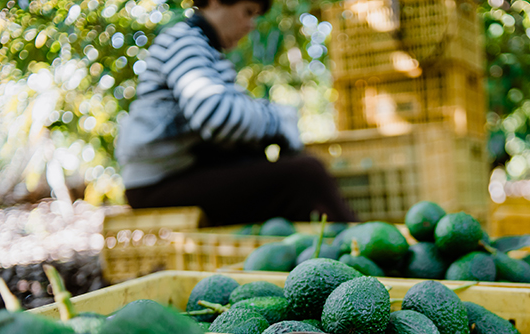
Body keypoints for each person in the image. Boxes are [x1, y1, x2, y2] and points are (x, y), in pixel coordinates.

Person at [115, 0, 356, 226]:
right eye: (247, 12)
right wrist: (278, 120)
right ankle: (357, 255)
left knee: (274, 169)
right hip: (159, 183)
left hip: (182, 173)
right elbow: (215, 115)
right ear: (216, 1)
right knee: (305, 174)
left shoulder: (205, 48)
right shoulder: (185, 41)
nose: (250, 25)